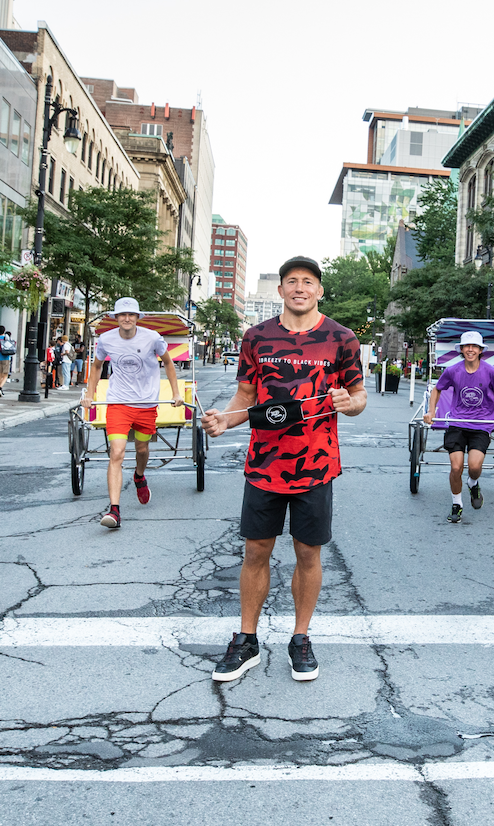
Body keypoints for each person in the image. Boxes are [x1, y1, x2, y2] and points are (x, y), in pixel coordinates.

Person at [202, 256, 366, 683]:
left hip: (316, 465)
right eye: (291, 281)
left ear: (319, 290)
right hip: (264, 464)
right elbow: (246, 396)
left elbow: (358, 395)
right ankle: (247, 640)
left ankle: (300, 638)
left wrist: (351, 404)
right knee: (256, 551)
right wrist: (225, 419)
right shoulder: (256, 337)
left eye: (307, 282)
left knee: (307, 553)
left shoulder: (341, 338)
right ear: (280, 290)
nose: (299, 288)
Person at [85, 297, 182, 529]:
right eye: (122, 315)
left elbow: (168, 362)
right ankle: (115, 511)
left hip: (146, 403)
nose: (126, 319)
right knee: (116, 452)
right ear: (116, 318)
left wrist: (176, 392)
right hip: (118, 403)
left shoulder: (152, 338)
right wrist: (89, 394)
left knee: (142, 449)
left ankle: (139, 475)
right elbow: (97, 366)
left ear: (137, 317)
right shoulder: (106, 339)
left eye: (131, 315)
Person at [423, 330, 494, 522]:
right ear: (461, 349)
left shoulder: (490, 371)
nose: (470, 349)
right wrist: (431, 411)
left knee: (474, 467)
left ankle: (473, 483)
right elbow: (437, 390)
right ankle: (457, 504)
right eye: (467, 346)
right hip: (458, 422)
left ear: (480, 350)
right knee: (456, 466)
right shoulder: (452, 371)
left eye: (474, 346)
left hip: (481, 424)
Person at [0, 327, 15, 395]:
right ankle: (0, 387)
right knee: (5, 375)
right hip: (6, 358)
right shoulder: (7, 338)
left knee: (0, 374)